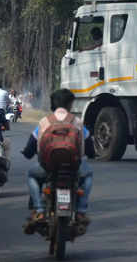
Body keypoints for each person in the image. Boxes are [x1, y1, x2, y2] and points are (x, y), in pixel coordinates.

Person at [22, 88, 94, 224]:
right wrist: (91, 154)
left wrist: (27, 153)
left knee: (32, 175)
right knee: (88, 176)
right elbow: (89, 147)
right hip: (73, 167)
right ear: (70, 104)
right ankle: (81, 211)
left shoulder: (45, 122)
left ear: (53, 104)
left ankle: (39, 210)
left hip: (48, 167)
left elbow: (31, 145)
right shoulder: (77, 122)